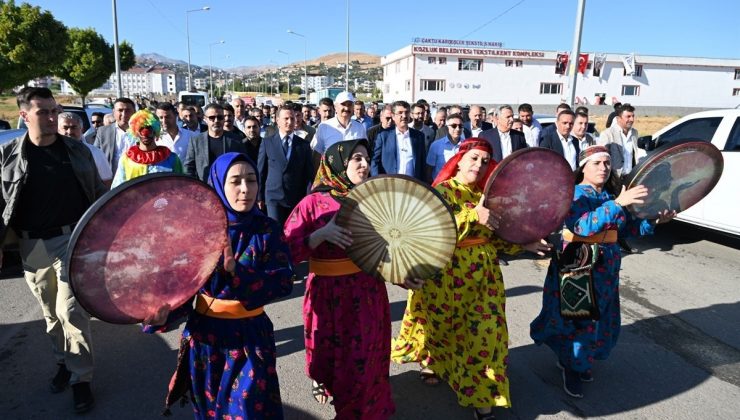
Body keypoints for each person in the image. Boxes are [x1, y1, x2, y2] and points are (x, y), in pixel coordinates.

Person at [392, 138, 549, 420]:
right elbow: (430, 232)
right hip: (445, 279)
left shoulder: (488, 196)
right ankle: (434, 362)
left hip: (485, 282)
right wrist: (471, 215)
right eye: (474, 158)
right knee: (444, 332)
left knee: (485, 338)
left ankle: (483, 397)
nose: (479, 165)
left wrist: (523, 245)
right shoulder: (442, 192)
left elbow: (496, 238)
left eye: (485, 161)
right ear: (459, 160)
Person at [143, 152, 295, 419]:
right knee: (209, 410)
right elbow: (182, 289)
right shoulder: (199, 231)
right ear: (218, 184)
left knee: (246, 410)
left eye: (251, 180)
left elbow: (282, 282)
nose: (245, 189)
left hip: (250, 338)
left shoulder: (267, 230)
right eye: (235, 181)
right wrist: (162, 315)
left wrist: (238, 273)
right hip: (205, 338)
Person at [284, 139, 422, 418]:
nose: (364, 164)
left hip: (367, 293)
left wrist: (404, 278)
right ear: (337, 163)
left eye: (367, 158)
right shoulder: (313, 202)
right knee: (330, 358)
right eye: (356, 158)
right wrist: (319, 236)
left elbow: (386, 251)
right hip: (328, 296)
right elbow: (284, 250)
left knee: (365, 361)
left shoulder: (373, 201)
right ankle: (329, 386)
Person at [530, 145, 675, 398]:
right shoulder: (573, 194)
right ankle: (572, 367)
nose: (603, 168)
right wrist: (619, 203)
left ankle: (580, 360)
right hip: (578, 263)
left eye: (607, 163)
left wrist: (653, 221)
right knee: (578, 318)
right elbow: (583, 226)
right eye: (596, 163)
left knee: (599, 318)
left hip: (607, 267)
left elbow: (628, 230)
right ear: (583, 167)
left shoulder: (610, 196)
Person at [2, 87, 106, 413]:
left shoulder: (76, 151)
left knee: (70, 309)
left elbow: (97, 192)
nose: (51, 118)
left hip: (71, 240)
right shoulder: (9, 155)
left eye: (53, 111)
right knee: (49, 311)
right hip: (31, 244)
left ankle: (81, 379)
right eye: (42, 112)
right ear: (23, 115)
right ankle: (63, 360)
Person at [257, 106, 314, 226]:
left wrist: (308, 198)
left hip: (295, 197)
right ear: (278, 120)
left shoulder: (303, 145)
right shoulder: (268, 142)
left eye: (292, 118)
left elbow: (308, 175)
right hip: (273, 197)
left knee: (294, 233)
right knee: (276, 234)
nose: (289, 122)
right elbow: (261, 171)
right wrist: (259, 196)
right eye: (286, 118)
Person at [598, 104, 641, 254]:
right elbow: (601, 156)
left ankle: (621, 239)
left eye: (632, 116)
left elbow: (634, 154)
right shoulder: (608, 134)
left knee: (627, 212)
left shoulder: (634, 133)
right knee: (615, 210)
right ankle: (608, 241)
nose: (631, 119)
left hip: (630, 177)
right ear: (618, 118)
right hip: (614, 179)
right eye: (628, 116)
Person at [111, 109, 183, 188]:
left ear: (155, 131)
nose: (145, 133)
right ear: (135, 132)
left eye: (149, 129)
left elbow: (180, 186)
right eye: (141, 129)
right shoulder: (127, 159)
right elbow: (117, 188)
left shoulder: (171, 158)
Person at [184, 103, 247, 183]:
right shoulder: (196, 141)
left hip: (228, 187)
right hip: (205, 187)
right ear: (205, 119)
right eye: (212, 118)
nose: (216, 121)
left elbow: (243, 164)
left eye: (220, 117)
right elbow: (189, 167)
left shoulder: (236, 140)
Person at [371, 100, 426, 181]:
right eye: (400, 112)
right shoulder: (383, 136)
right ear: (393, 116)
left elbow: (422, 164)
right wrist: (377, 182)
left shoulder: (418, 136)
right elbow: (375, 161)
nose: (404, 116)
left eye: (406, 112)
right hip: (389, 185)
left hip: (412, 186)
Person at [312, 92, 367, 170]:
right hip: (331, 179)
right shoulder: (324, 127)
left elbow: (364, 154)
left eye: (349, 105)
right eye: (343, 104)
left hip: (353, 177)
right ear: (335, 107)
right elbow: (316, 156)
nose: (347, 108)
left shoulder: (359, 128)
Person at [58, 111, 113, 188]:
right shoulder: (52, 153)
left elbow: (107, 181)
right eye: (65, 128)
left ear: (82, 129)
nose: (69, 132)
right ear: (58, 130)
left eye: (74, 127)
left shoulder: (95, 152)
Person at [94, 97, 136, 174]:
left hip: (137, 177)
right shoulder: (103, 132)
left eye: (127, 110)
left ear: (134, 112)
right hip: (111, 179)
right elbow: (95, 156)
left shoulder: (141, 131)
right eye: (120, 110)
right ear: (113, 112)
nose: (124, 114)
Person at [426, 113, 465, 182]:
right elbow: (429, 171)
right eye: (454, 126)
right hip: (439, 187)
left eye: (460, 126)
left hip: (460, 188)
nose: (458, 129)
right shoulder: (436, 145)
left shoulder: (467, 146)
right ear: (447, 127)